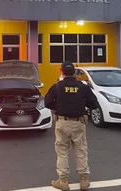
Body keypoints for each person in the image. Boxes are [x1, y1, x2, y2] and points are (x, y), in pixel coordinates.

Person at [44, 61, 99, 191]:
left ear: (61, 72)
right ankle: (84, 180)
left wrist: (58, 107)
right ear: (74, 72)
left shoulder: (57, 87)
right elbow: (94, 104)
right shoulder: (83, 87)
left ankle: (63, 180)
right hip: (79, 123)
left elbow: (47, 102)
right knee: (81, 150)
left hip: (62, 122)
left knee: (62, 151)